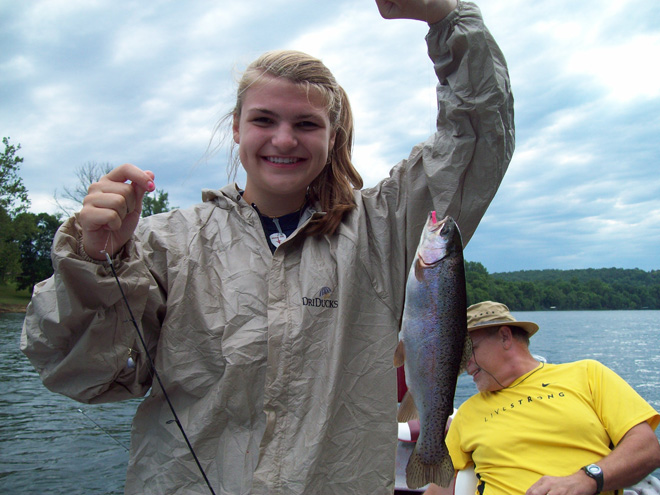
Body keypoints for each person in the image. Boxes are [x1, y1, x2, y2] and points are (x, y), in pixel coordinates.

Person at [20, 1, 515, 493]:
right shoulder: (159, 244)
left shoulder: (384, 229)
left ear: (332, 135)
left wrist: (449, 19)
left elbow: (476, 139)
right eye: (263, 120)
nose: (283, 139)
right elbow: (85, 374)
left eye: (306, 124)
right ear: (236, 127)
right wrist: (93, 260)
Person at [435, 301, 660, 495]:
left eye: (469, 350)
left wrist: (586, 480)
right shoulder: (467, 412)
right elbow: (440, 487)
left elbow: (647, 449)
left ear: (505, 337)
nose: (464, 365)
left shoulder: (587, 375)